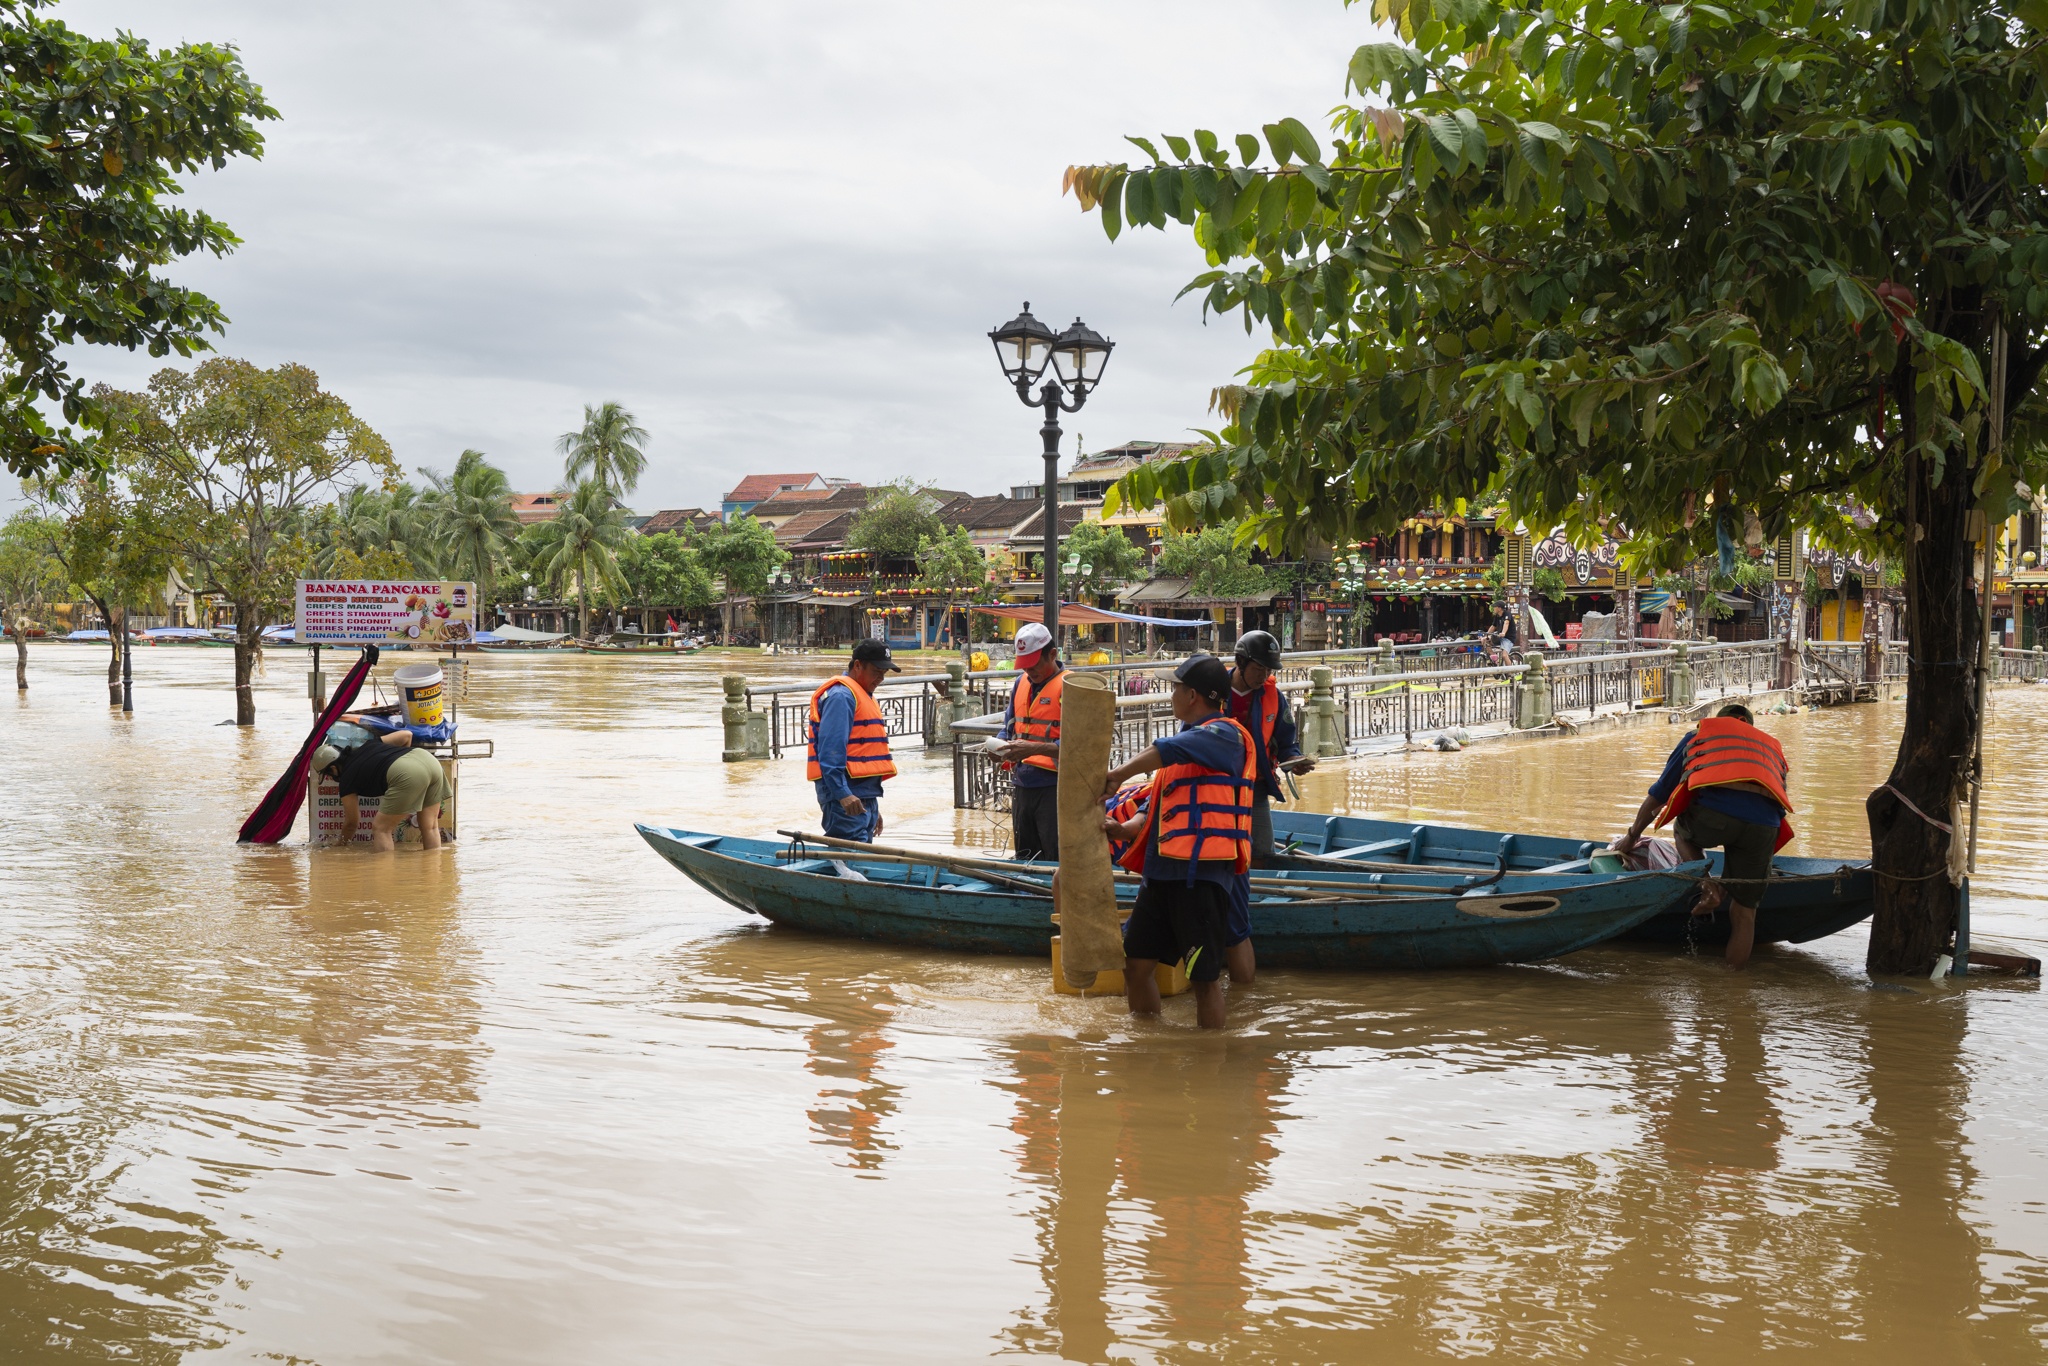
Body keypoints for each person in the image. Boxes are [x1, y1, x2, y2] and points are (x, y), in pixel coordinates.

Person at [1100, 653, 1256, 1029]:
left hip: (1200, 879)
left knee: (1204, 981)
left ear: (1193, 696)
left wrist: (1118, 774)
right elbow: (1154, 807)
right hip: (1161, 875)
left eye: (1176, 688)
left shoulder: (1224, 735)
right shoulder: (1187, 743)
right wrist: (1125, 829)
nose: (1171, 694)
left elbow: (1166, 749)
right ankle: (1147, 1045)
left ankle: (1208, 1064)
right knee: (1135, 966)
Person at [1612, 702, 1794, 968]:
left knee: (1681, 830)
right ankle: (1734, 990)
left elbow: (1660, 794)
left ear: (1719, 721)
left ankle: (1708, 887)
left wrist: (1632, 836)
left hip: (1714, 817)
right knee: (1745, 914)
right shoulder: (1770, 749)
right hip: (1764, 827)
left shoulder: (1699, 736)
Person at [807, 639, 900, 843]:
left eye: (883, 674)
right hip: (845, 794)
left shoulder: (862, 695)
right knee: (848, 854)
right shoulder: (841, 697)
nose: (880, 679)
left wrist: (872, 808)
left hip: (862, 794)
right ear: (858, 665)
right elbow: (831, 751)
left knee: (861, 855)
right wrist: (843, 794)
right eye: (876, 671)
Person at [987, 621, 1063, 860]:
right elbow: (1010, 727)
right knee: (1026, 856)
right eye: (1025, 666)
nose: (1029, 671)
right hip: (1023, 784)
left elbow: (1081, 747)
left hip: (1055, 787)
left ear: (1052, 654)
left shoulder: (1071, 687)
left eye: (1034, 665)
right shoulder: (1021, 683)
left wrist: (1034, 748)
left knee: (1055, 856)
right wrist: (999, 746)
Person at [313, 722, 450, 851]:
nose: (330, 778)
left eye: (328, 775)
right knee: (430, 827)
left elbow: (351, 822)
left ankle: (385, 874)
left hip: (407, 773)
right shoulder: (368, 745)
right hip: (428, 760)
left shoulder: (346, 779)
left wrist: (340, 845)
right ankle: (433, 872)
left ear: (333, 768)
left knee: (381, 829)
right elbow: (406, 735)